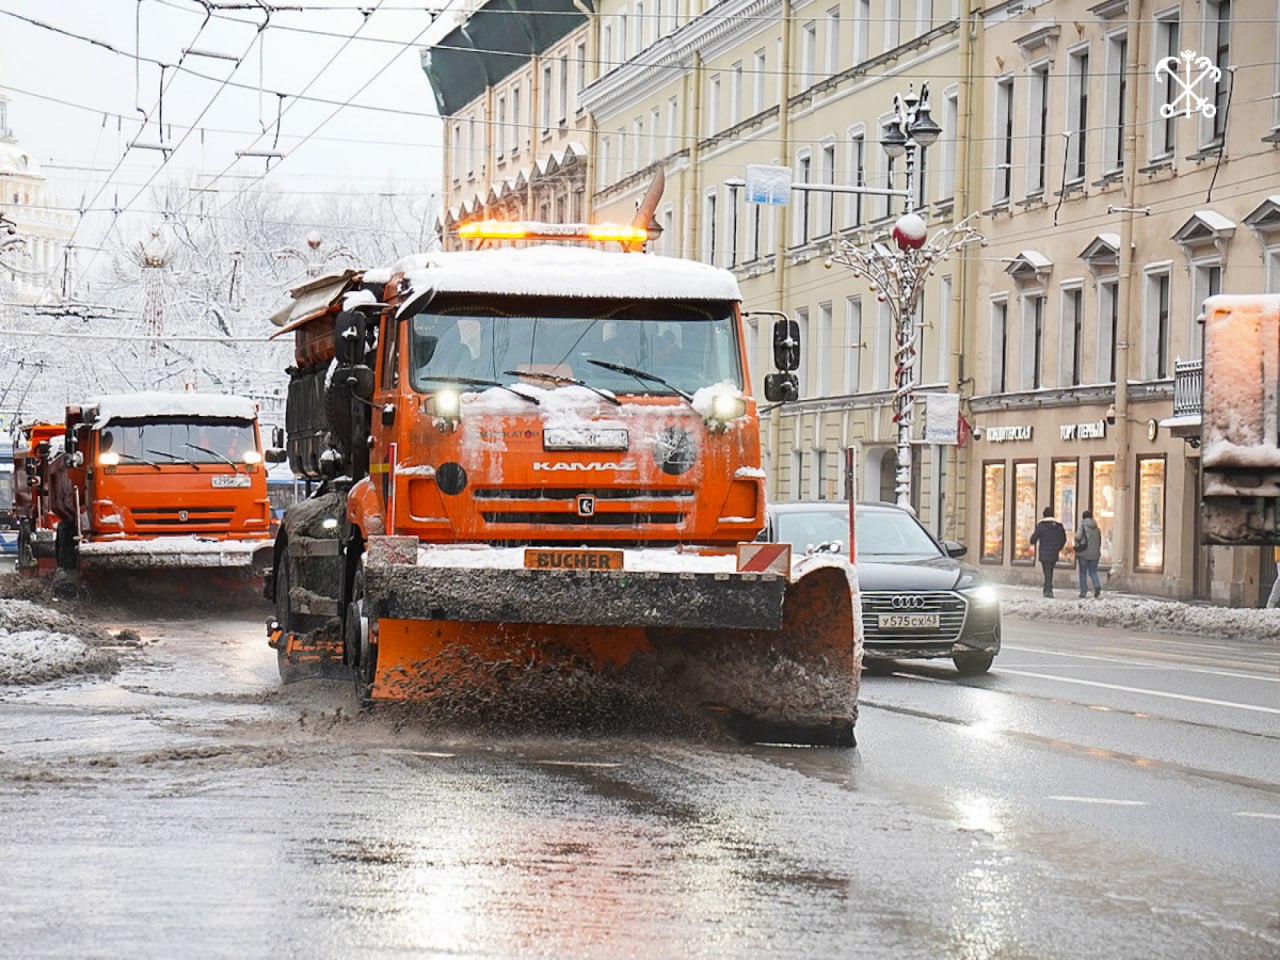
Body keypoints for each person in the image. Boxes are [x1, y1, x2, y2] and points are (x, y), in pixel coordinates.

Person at [1029, 506, 1067, 598]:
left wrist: (1032, 540)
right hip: (1054, 552)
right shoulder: (1058, 526)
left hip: (1044, 552)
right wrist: (1058, 548)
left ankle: (1048, 589)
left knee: (1047, 571)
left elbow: (1033, 539)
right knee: (1050, 570)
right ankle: (1048, 588)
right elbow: (1063, 539)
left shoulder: (1041, 526)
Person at [1075, 509, 1103, 599]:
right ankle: (1097, 585)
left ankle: (1083, 591)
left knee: (1083, 572)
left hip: (1083, 553)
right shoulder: (1097, 528)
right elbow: (1099, 541)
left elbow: (1077, 536)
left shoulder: (1082, 525)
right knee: (1093, 571)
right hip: (1095, 554)